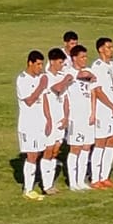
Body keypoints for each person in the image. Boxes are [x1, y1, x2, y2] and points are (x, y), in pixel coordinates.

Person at [89, 35, 113, 189]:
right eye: (108, 47)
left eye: (112, 47)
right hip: (104, 110)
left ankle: (105, 176)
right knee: (100, 142)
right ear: (101, 49)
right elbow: (98, 90)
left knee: (112, 140)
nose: (111, 50)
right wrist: (111, 105)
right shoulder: (96, 67)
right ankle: (95, 178)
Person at [16, 50, 49, 201]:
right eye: (38, 64)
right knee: (31, 155)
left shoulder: (41, 78)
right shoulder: (22, 79)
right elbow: (29, 101)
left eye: (42, 64)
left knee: (37, 154)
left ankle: (31, 187)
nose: (40, 68)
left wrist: (48, 119)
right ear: (30, 63)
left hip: (39, 123)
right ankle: (28, 189)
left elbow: (44, 101)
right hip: (27, 124)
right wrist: (41, 86)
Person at [64, 43, 96, 191]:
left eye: (86, 57)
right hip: (75, 116)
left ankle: (81, 180)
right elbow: (81, 75)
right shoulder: (68, 71)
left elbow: (93, 91)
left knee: (86, 147)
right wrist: (87, 74)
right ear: (74, 58)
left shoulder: (88, 70)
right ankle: (73, 182)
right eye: (82, 57)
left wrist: (93, 113)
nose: (85, 60)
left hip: (87, 115)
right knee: (75, 148)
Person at [40, 48, 72, 195]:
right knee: (48, 150)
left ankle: (50, 182)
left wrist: (66, 117)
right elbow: (57, 88)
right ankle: (46, 185)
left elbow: (65, 98)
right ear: (52, 61)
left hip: (60, 119)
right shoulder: (46, 77)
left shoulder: (61, 75)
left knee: (56, 151)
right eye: (60, 63)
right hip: (50, 119)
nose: (62, 66)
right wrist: (66, 79)